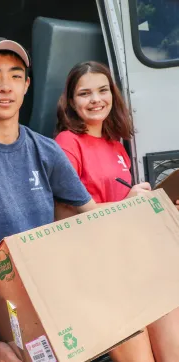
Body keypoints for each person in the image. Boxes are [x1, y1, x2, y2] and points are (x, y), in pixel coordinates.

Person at [0, 37, 98, 362]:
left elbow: (90, 218)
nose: (4, 86)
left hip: (51, 286)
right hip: (1, 303)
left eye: (14, 76)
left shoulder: (46, 149)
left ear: (26, 86)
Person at [54, 61, 179, 362]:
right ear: (71, 101)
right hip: (101, 271)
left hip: (134, 260)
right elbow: (62, 216)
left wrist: (154, 203)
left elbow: (123, 204)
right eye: (85, 93)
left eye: (102, 90)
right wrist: (128, 203)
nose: (96, 99)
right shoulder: (67, 143)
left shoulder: (115, 144)